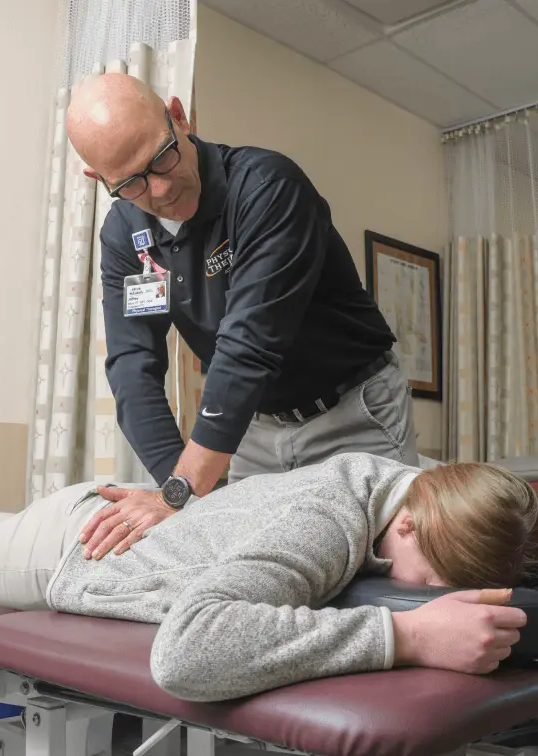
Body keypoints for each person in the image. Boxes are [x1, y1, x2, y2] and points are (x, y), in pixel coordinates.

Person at [0, 453, 538, 703]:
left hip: (115, 514)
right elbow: (186, 654)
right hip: (74, 551)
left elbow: (516, 531)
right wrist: (405, 632)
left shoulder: (432, 489)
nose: (434, 595)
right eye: (440, 581)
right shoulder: (329, 521)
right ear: (404, 526)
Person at [65, 72, 415, 558]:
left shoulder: (267, 187)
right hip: (255, 427)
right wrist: (177, 487)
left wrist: (182, 490)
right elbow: (132, 367)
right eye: (130, 183)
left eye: (162, 158)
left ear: (180, 117)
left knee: (385, 560)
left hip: (352, 409)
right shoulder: (125, 235)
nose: (160, 189)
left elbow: (248, 346)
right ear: (98, 179)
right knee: (250, 561)